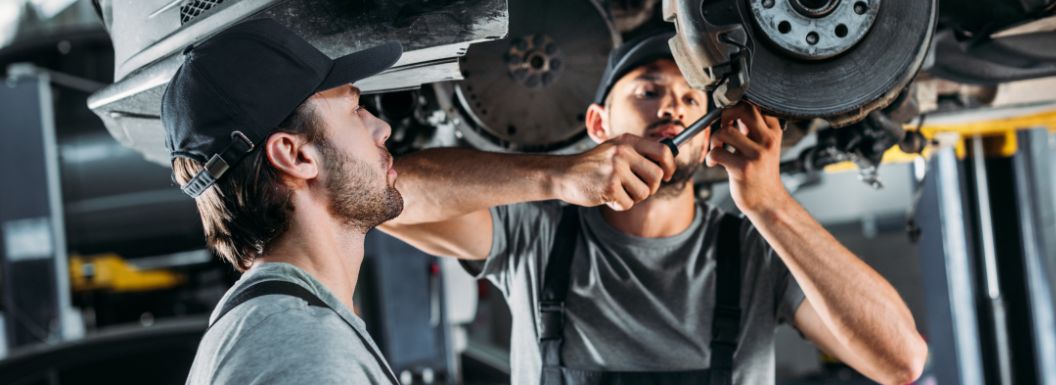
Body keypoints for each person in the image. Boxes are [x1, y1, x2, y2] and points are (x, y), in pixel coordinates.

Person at [380, 32, 927, 385]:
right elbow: (383, 195)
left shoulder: (755, 256)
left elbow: (900, 361)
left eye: (692, 100)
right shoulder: (535, 234)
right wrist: (556, 174)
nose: (672, 105)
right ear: (598, 125)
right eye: (647, 90)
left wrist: (771, 204)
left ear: (707, 134)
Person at [162, 18, 405, 384]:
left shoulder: (268, 327)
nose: (381, 128)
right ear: (296, 156)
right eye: (354, 109)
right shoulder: (305, 350)